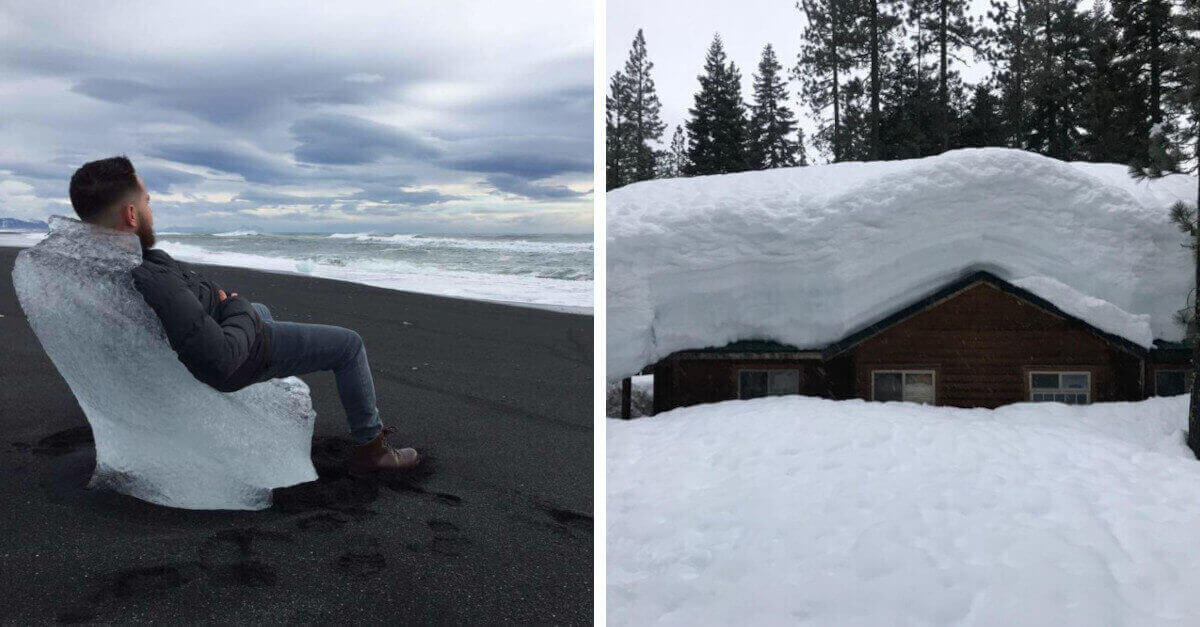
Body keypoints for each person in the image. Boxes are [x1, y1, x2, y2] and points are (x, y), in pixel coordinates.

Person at [67, 156, 418, 474]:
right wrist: (238, 307)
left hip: (216, 327)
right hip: (239, 355)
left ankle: (274, 410)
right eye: (147, 202)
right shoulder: (150, 277)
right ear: (131, 215)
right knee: (348, 346)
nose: (151, 210)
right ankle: (372, 450)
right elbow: (220, 362)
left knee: (262, 311)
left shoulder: (117, 263)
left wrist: (235, 309)